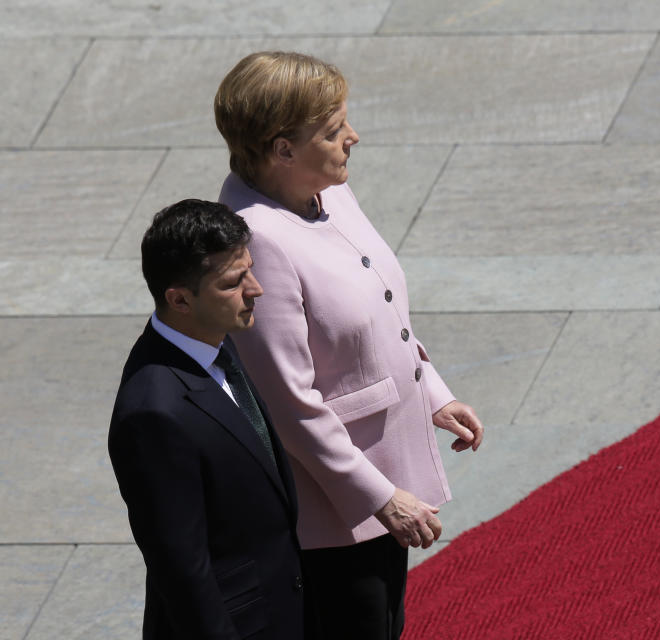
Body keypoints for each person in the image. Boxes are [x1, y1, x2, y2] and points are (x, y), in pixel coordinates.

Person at [214, 51, 485, 639]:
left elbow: (382, 308)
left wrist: (432, 393)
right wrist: (378, 497)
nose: (353, 138)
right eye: (334, 131)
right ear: (282, 148)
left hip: (383, 477)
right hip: (335, 507)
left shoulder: (327, 192)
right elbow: (288, 400)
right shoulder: (256, 239)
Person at [108, 199, 308, 639]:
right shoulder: (153, 413)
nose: (256, 289)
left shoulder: (215, 341)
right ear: (179, 299)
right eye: (234, 282)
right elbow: (183, 572)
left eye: (250, 270)